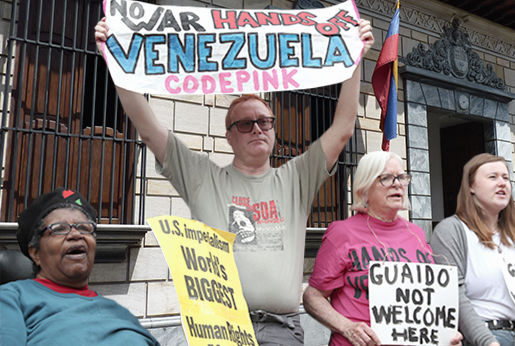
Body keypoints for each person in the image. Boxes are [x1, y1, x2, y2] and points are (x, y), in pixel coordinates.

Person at [95, 18, 374, 345]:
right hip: (220, 328)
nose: (257, 128)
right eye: (245, 123)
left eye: (264, 121)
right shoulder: (202, 178)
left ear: (273, 130)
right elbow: (149, 129)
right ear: (228, 136)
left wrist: (356, 59)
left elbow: (342, 129)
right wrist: (115, 59)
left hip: (281, 330)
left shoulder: (297, 177)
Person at [303, 151, 463, 346]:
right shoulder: (342, 232)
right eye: (386, 178)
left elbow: (427, 299)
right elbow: (312, 296)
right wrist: (346, 327)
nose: (398, 184)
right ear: (364, 189)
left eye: (402, 178)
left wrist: (444, 333)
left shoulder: (416, 234)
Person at [0, 188, 159, 345]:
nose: (76, 235)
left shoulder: (122, 314)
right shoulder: (12, 299)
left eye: (84, 228)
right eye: (59, 229)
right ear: (36, 252)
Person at [431, 153, 515, 346]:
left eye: (506, 178)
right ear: (471, 186)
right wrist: (488, 342)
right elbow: (453, 293)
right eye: (492, 177)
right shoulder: (451, 230)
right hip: (480, 338)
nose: (502, 183)